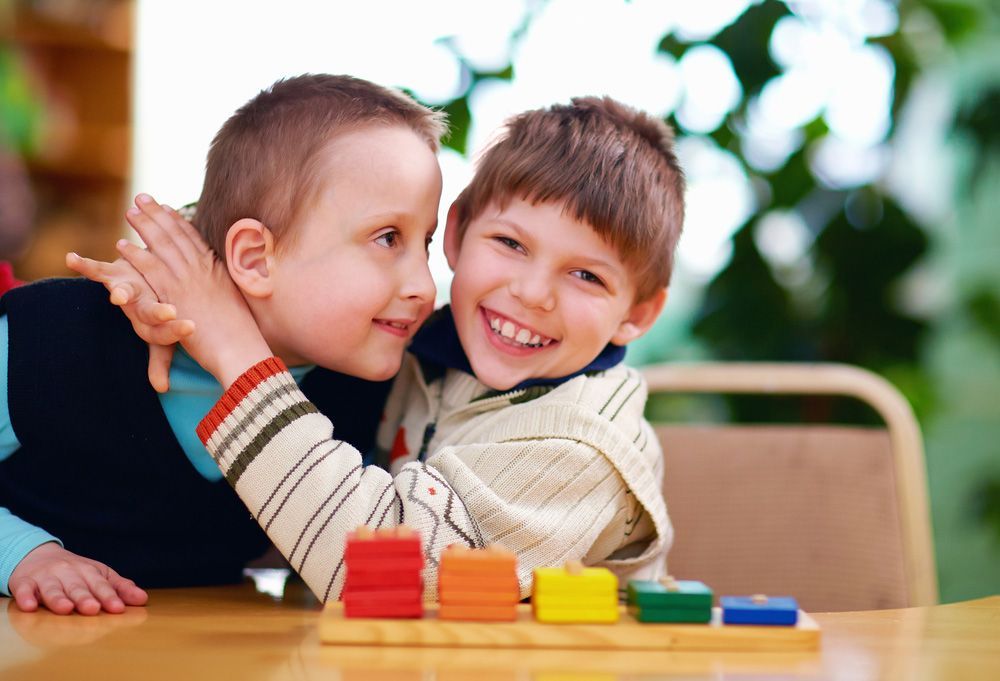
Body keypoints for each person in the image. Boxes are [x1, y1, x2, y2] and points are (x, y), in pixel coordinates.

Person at [78, 96, 685, 602]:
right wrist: (177, 276)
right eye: (511, 244)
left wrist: (229, 340)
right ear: (456, 233)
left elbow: (381, 571)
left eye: (586, 276)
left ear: (637, 314)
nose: (531, 293)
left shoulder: (580, 449)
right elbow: (300, 259)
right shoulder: (425, 346)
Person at [0, 73, 445, 615]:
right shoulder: (51, 339)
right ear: (254, 258)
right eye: (388, 238)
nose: (424, 286)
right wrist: (23, 556)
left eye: (425, 242)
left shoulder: (366, 386)